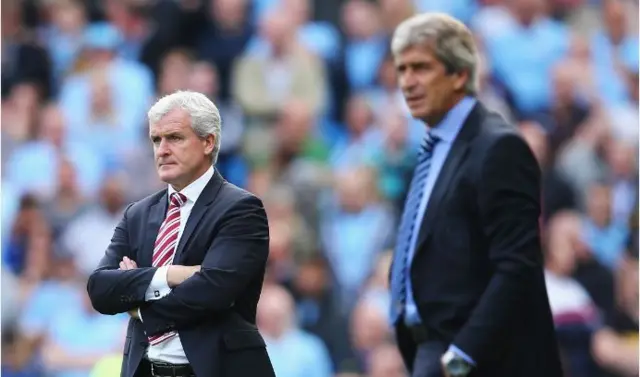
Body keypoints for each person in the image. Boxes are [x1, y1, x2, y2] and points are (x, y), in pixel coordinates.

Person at [387, 13, 562, 377]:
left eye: (421, 68)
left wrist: (463, 354)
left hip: (482, 359)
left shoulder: (498, 147)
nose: (408, 82)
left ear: (460, 74)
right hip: (433, 350)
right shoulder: (433, 147)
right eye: (401, 69)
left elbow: (518, 264)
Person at [86, 90, 275, 377]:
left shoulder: (241, 209)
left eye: (174, 137)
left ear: (208, 142)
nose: (161, 149)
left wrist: (138, 303)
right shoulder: (137, 214)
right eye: (155, 139)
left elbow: (212, 291)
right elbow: (100, 289)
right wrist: (170, 275)